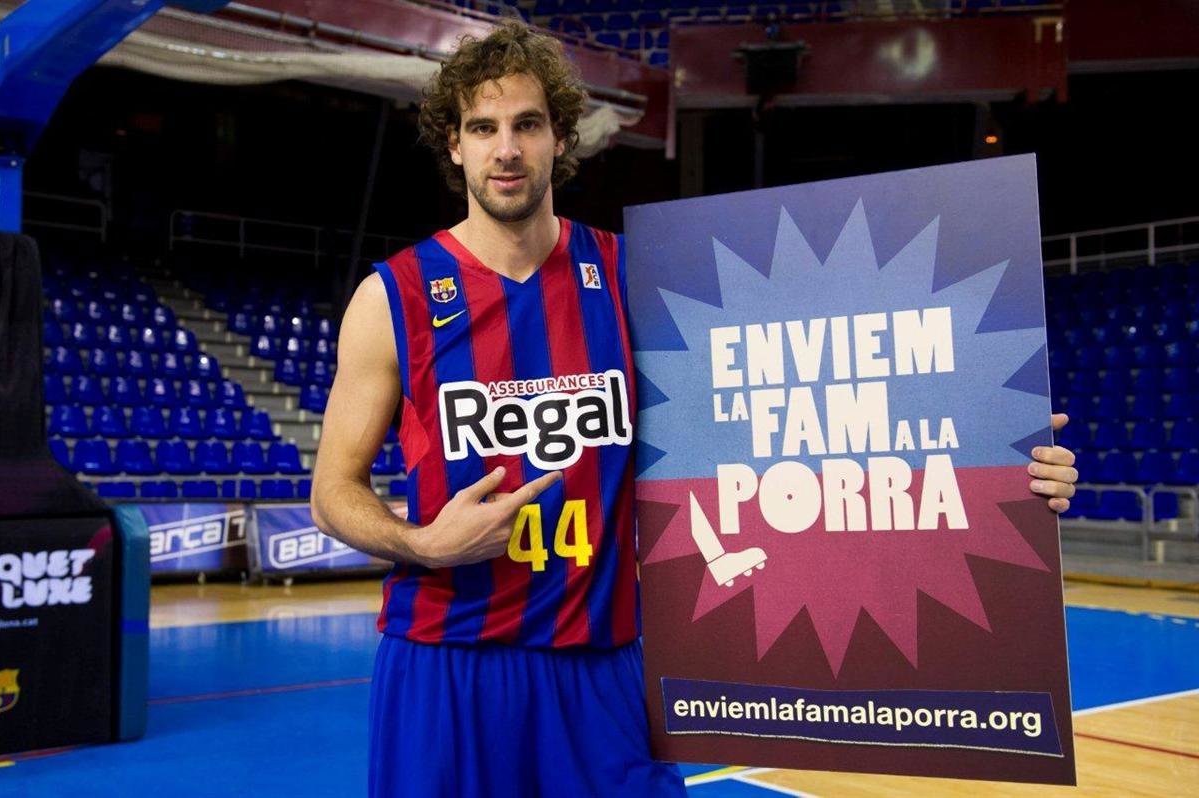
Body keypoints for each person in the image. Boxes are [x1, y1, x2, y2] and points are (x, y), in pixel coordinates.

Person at [309, 21, 1079, 798]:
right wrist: (423, 543)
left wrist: (993, 440)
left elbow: (800, 400)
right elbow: (332, 493)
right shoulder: (394, 298)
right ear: (454, 144)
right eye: (483, 128)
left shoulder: (637, 278)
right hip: (447, 661)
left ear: (561, 137)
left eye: (528, 124)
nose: (506, 149)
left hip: (604, 665)